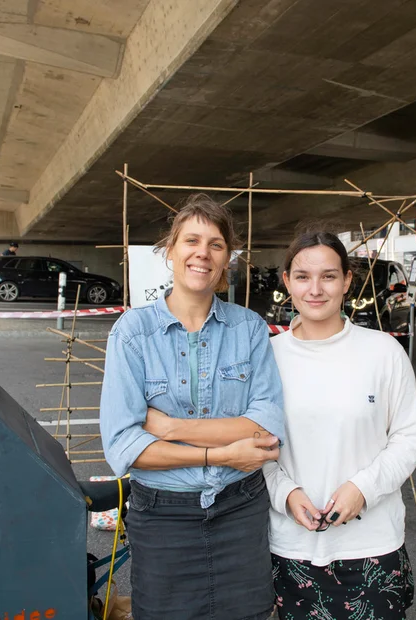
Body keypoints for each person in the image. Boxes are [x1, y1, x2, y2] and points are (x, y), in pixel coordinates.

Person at [100, 194, 286, 620]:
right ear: (171, 250)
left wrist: (167, 428)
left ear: (227, 260)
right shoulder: (133, 332)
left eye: (216, 244)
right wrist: (222, 453)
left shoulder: (250, 329)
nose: (203, 253)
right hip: (162, 515)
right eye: (191, 240)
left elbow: (265, 427)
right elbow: (124, 447)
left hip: (240, 510)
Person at [263, 231, 416, 620]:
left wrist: (362, 489)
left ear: (348, 281)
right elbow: (255, 445)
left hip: (371, 545)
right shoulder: (266, 357)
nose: (315, 289)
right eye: (302, 276)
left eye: (329, 276)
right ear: (287, 282)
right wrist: (284, 493)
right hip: (291, 547)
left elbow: (408, 439)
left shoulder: (383, 351)